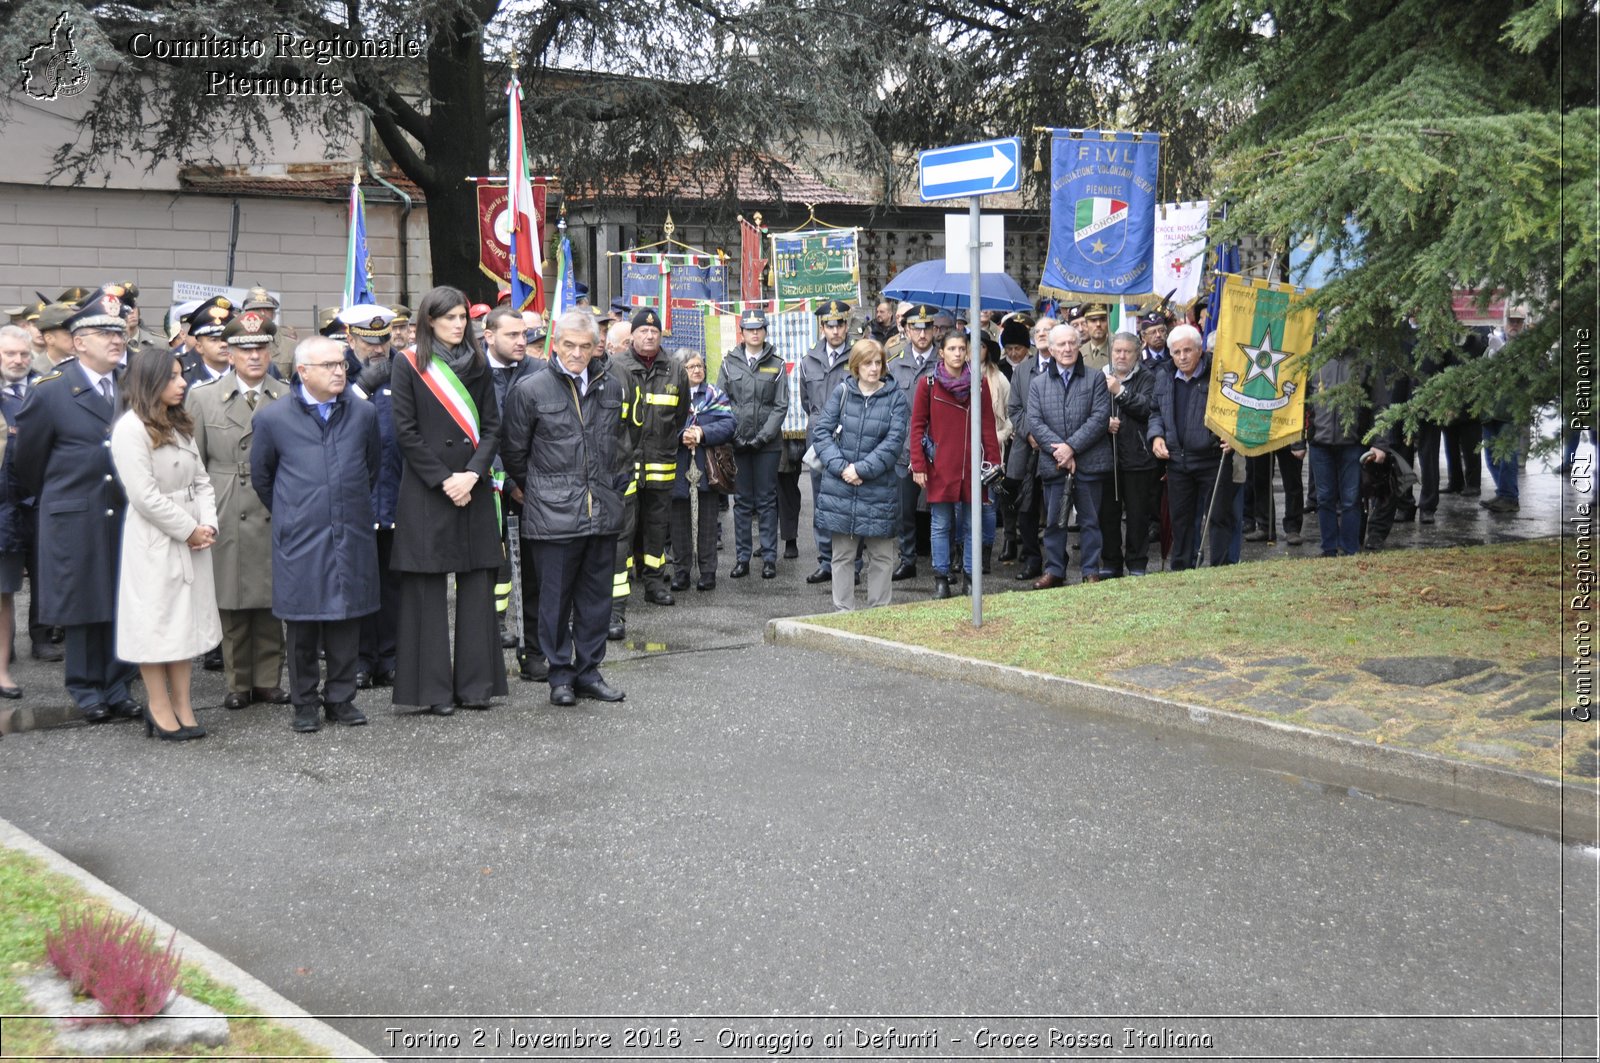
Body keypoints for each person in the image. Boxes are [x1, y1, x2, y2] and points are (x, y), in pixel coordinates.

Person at [15, 288, 143, 723]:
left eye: (118, 330)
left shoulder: (129, 386)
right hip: (74, 513)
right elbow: (27, 461)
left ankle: (118, 683)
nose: (115, 339)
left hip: (124, 512)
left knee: (121, 598)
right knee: (84, 603)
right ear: (78, 341)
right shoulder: (51, 391)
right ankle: (86, 688)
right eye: (102, 332)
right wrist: (55, 503)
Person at [251, 336, 382, 732]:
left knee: (346, 619)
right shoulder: (273, 419)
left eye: (341, 364)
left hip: (350, 533)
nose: (339, 371)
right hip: (300, 537)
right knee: (303, 623)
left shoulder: (363, 414)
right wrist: (295, 513)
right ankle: (304, 702)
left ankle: (340, 698)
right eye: (328, 365)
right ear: (303, 372)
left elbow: (370, 469)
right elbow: (263, 477)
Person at [388, 286, 508, 715]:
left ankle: (477, 686)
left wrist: (472, 474)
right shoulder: (407, 365)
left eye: (463, 317)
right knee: (425, 589)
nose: (459, 325)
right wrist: (445, 480)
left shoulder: (478, 363)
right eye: (451, 318)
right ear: (430, 320)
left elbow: (493, 426)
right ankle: (430, 691)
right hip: (428, 488)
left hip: (471, 486)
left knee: (477, 582)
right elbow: (405, 432)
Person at [501, 309, 629, 706]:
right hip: (553, 514)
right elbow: (514, 452)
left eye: (585, 346)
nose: (576, 353)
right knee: (554, 601)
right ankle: (560, 676)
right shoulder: (530, 389)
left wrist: (613, 487)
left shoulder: (611, 386)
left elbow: (621, 444)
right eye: (568, 345)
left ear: (596, 348)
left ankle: (588, 671)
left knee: (595, 600)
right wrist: (535, 489)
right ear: (555, 344)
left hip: (602, 509)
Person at [109, 349, 222, 740]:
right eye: (173, 377)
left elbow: (202, 480)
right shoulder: (130, 429)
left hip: (191, 534)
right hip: (156, 539)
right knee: (155, 623)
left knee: (185, 624)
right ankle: (159, 706)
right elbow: (143, 496)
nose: (182, 382)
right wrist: (188, 528)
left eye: (181, 375)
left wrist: (207, 523)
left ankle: (184, 704)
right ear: (150, 382)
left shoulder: (178, 423)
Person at [187, 311, 291, 711]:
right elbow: (195, 462)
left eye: (261, 348)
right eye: (244, 349)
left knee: (269, 597)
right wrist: (200, 513)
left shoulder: (285, 395)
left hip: (272, 500)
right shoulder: (203, 397)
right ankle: (238, 682)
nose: (253, 356)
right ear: (229, 353)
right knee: (230, 598)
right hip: (226, 501)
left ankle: (268, 680)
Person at [609, 307, 691, 639]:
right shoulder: (616, 367)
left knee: (657, 524)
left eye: (655, 332)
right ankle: (620, 587)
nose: (649, 336)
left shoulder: (675, 369)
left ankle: (655, 582)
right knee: (624, 527)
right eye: (643, 331)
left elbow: (681, 413)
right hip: (625, 463)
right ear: (632, 336)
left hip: (661, 460)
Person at [811, 339, 910, 611]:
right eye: (868, 363)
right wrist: (844, 468)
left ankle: (879, 613)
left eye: (878, 363)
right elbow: (821, 433)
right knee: (842, 555)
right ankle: (843, 612)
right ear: (856, 365)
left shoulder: (895, 398)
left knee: (881, 555)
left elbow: (893, 443)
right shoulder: (842, 392)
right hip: (841, 487)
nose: (874, 368)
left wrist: (860, 469)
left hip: (878, 488)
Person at [909, 331, 1002, 599]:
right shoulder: (927, 383)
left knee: (973, 524)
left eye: (962, 348)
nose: (958, 353)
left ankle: (971, 579)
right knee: (941, 523)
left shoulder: (979, 383)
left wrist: (993, 462)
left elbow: (987, 425)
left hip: (973, 464)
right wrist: (919, 464)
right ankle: (941, 578)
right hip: (941, 464)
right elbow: (917, 426)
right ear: (942, 352)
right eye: (952, 348)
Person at [1028, 323, 1112, 587]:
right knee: (1054, 522)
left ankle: (1090, 570)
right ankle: (1055, 570)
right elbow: (1035, 421)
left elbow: (1100, 418)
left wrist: (1071, 447)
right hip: (1054, 465)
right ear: (1050, 350)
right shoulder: (1038, 384)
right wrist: (1061, 451)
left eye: (1071, 343)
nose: (1067, 349)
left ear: (1079, 345)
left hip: (1089, 461)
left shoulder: (1095, 377)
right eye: (1061, 345)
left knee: (1090, 521)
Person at [1148, 324, 1237, 569]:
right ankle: (1181, 571)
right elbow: (1155, 411)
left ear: (1200, 351)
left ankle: (1220, 569)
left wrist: (1233, 436)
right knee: (1181, 520)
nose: (1182, 357)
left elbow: (1236, 409)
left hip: (1212, 458)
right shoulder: (1164, 375)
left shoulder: (1219, 373)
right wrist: (1156, 436)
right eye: (1176, 352)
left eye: (1188, 350)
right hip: (1177, 461)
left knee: (1218, 517)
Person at [719, 307, 787, 580]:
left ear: (765, 331)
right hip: (737, 443)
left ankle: (769, 557)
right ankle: (743, 558)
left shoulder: (777, 364)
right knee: (743, 502)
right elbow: (721, 403)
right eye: (749, 329)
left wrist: (762, 437)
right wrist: (734, 435)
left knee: (768, 501)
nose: (754, 333)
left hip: (767, 445)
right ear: (742, 333)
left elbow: (780, 406)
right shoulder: (729, 363)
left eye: (759, 328)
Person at [0, 325, 55, 664]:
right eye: (10, 354)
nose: (18, 360)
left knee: (43, 570)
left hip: (40, 492)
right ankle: (4, 645)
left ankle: (42, 637)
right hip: (3, 496)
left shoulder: (44, 387)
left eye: (23, 354)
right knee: (5, 580)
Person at [798, 300, 855, 584]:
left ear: (846, 325)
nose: (836, 330)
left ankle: (852, 566)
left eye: (840, 324)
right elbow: (806, 402)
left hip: (851, 436)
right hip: (820, 438)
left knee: (849, 500)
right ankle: (825, 562)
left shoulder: (857, 355)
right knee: (822, 500)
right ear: (822, 327)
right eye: (830, 325)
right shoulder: (808, 360)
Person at [668, 351, 735, 593]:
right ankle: (681, 572)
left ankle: (708, 572)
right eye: (690, 367)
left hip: (707, 467)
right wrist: (681, 435)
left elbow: (729, 424)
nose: (697, 370)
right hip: (678, 465)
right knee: (679, 521)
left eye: (700, 366)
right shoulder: (672, 394)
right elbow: (661, 424)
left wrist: (701, 433)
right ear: (680, 370)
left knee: (708, 520)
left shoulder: (715, 395)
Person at [1099, 331, 1161, 577]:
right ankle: (1111, 563)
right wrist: (1105, 422)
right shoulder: (1100, 376)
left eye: (1127, 351)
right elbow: (1091, 410)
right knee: (1109, 514)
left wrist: (1120, 392)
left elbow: (1147, 408)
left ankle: (1136, 563)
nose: (1121, 356)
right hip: (1107, 456)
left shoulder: (1148, 377)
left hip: (1139, 456)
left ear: (1137, 354)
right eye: (1117, 351)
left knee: (1137, 515)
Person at [887, 304, 941, 580]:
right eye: (916, 328)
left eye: (927, 328)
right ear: (907, 330)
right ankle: (907, 559)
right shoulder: (894, 362)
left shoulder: (944, 362)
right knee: (904, 510)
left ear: (934, 330)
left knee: (941, 507)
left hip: (938, 446)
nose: (922, 334)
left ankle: (943, 561)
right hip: (904, 447)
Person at [1003, 316, 1056, 580]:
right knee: (1026, 508)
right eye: (1039, 331)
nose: (1043, 334)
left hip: (1057, 449)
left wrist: (1046, 438)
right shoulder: (1023, 370)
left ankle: (1056, 562)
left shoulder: (1065, 364)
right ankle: (1032, 559)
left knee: (1056, 507)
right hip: (1027, 449)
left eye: (1049, 330)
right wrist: (1030, 434)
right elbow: (1014, 408)